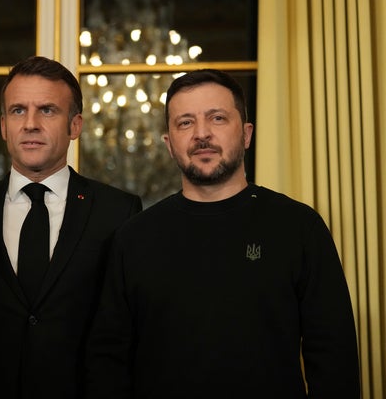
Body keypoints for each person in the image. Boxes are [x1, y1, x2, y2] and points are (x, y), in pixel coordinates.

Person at [85, 68, 360, 398]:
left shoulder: (299, 227)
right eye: (185, 122)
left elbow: (334, 358)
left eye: (217, 118)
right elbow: (107, 363)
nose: (202, 133)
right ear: (169, 144)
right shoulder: (133, 239)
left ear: (246, 134)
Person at [0, 55, 142, 399]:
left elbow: (129, 331)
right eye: (18, 110)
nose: (31, 124)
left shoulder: (118, 212)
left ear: (75, 126)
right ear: (4, 126)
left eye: (48, 110)